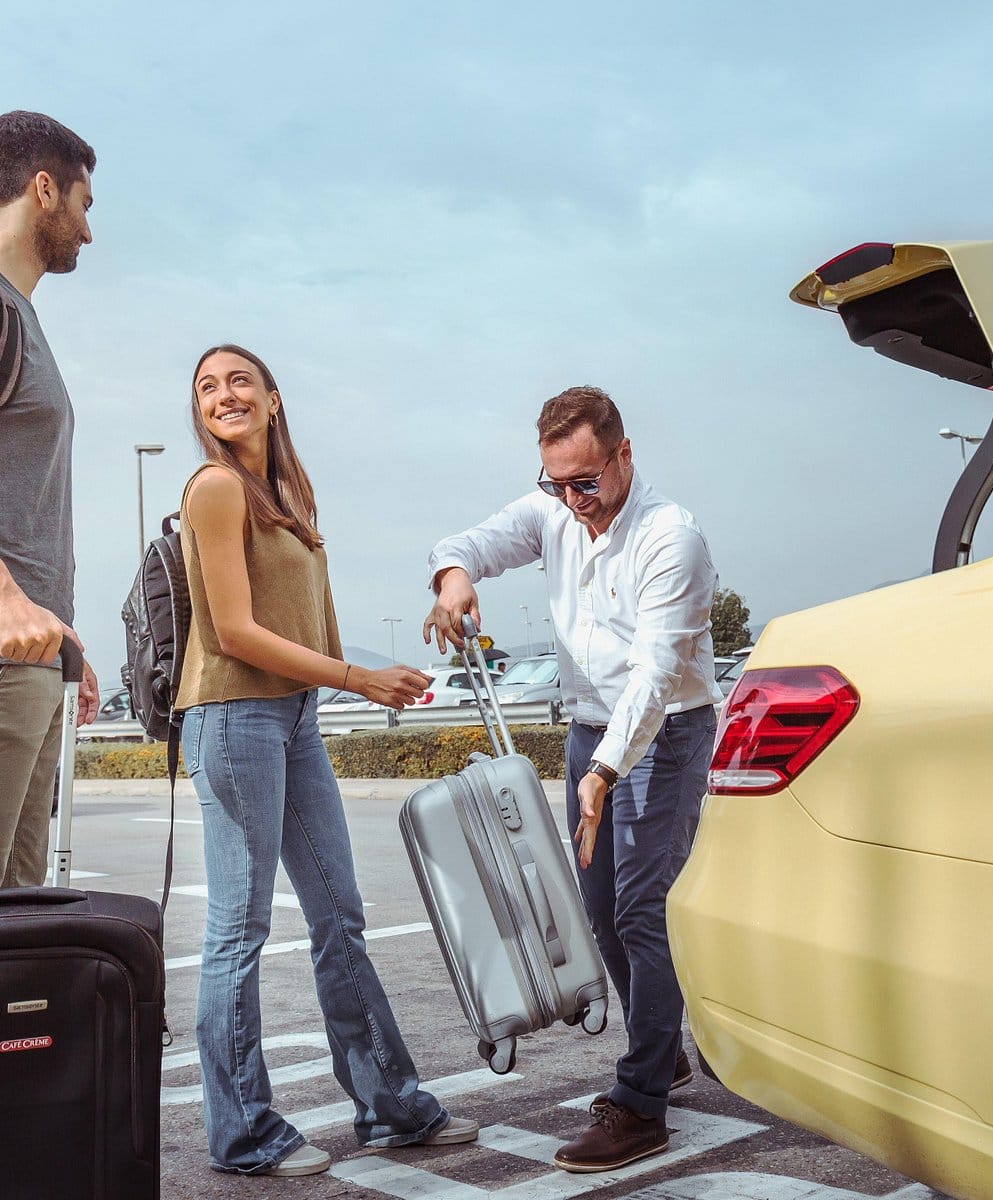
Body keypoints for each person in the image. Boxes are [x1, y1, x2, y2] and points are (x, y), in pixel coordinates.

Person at [177, 344, 478, 1176]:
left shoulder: (291, 497)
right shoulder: (212, 488)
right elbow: (235, 631)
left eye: (239, 380)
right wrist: (359, 677)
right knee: (239, 929)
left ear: (274, 400)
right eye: (206, 387)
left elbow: (307, 620)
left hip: (293, 718)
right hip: (233, 715)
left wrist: (365, 679)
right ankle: (243, 1133)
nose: (223, 395)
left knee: (339, 913)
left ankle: (389, 1107)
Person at [424, 385, 721, 1173]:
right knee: (594, 908)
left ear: (624, 456)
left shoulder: (670, 539)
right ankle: (664, 1052)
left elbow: (656, 677)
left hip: (664, 732)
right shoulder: (556, 506)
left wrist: (603, 772)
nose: (572, 500)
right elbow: (473, 541)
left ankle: (641, 1102)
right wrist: (453, 576)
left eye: (586, 481)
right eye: (557, 483)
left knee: (638, 908)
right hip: (590, 727)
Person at [0, 110, 100, 889]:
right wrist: (6, 598)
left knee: (22, 918)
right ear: (44, 190)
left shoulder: (21, 316)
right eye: (84, 204)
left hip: (30, 658)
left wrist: (60, 633)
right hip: (3, 656)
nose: (88, 231)